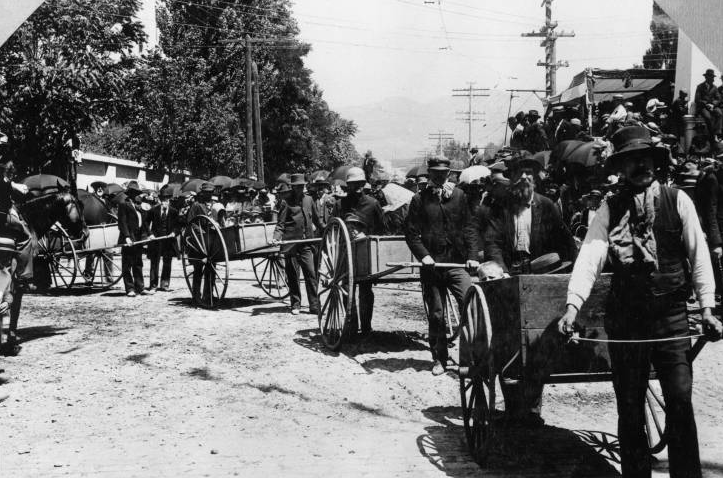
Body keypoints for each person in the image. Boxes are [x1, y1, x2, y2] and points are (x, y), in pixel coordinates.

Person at [559, 126, 723, 478]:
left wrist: (707, 308)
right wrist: (572, 307)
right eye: (632, 160)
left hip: (672, 319)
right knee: (630, 407)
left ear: (655, 162)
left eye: (645, 158)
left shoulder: (677, 199)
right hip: (627, 322)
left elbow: (699, 256)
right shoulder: (610, 207)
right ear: (622, 167)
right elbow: (589, 258)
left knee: (679, 402)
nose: (641, 166)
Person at [405, 157, 479, 375]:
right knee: (437, 314)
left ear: (449, 173)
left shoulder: (459, 196)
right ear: (430, 173)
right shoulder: (420, 199)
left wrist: (472, 255)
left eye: (444, 172)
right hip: (432, 267)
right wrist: (424, 256)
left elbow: (470, 228)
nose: (440, 176)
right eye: (435, 172)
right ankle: (440, 358)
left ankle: (470, 357)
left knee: (470, 304)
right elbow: (411, 233)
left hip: (456, 264)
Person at [332, 167, 385, 335]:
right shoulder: (340, 204)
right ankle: (351, 325)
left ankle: (366, 327)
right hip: (345, 254)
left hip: (365, 252)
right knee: (347, 289)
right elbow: (332, 229)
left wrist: (367, 236)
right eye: (354, 184)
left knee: (365, 290)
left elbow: (382, 229)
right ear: (348, 186)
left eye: (361, 184)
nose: (358, 187)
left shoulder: (372, 203)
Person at [272, 174, 322, 315]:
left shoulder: (309, 200)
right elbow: (280, 225)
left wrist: (327, 229)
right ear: (292, 187)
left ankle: (314, 305)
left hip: (306, 243)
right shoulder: (286, 202)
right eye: (297, 187)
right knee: (293, 275)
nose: (300, 189)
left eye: (302, 186)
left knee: (311, 274)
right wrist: (276, 238)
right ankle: (296, 304)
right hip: (291, 244)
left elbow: (317, 220)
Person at [117, 181, 152, 297]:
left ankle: (140, 287)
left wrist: (149, 233)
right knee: (127, 264)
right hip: (128, 238)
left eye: (136, 192)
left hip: (138, 238)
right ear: (129, 193)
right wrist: (126, 237)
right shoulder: (123, 204)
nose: (135, 194)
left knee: (138, 263)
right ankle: (130, 288)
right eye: (133, 192)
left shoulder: (139, 204)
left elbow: (144, 221)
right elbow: (122, 223)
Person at [146, 187, 180, 292]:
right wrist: (150, 234)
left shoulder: (174, 212)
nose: (165, 202)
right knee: (154, 263)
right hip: (156, 240)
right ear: (160, 200)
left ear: (170, 200)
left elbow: (178, 225)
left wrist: (174, 233)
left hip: (168, 241)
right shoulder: (153, 210)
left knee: (167, 262)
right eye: (163, 199)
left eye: (167, 199)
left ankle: (165, 284)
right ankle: (153, 285)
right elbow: (146, 223)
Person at [186, 182, 215, 302]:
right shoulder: (196, 206)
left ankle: (208, 295)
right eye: (206, 193)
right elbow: (191, 223)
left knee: (211, 269)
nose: (209, 195)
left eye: (211, 193)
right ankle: (196, 296)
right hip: (198, 242)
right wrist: (201, 232)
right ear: (202, 193)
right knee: (198, 270)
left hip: (211, 241)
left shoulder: (213, 205)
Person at [695, 69, 722, 142]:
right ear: (706, 77)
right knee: (708, 117)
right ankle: (712, 135)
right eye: (711, 77)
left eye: (713, 77)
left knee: (719, 113)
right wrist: (706, 104)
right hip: (703, 107)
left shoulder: (715, 87)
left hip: (712, 106)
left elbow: (718, 98)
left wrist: (713, 104)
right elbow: (697, 99)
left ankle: (717, 133)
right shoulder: (700, 87)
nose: (713, 79)